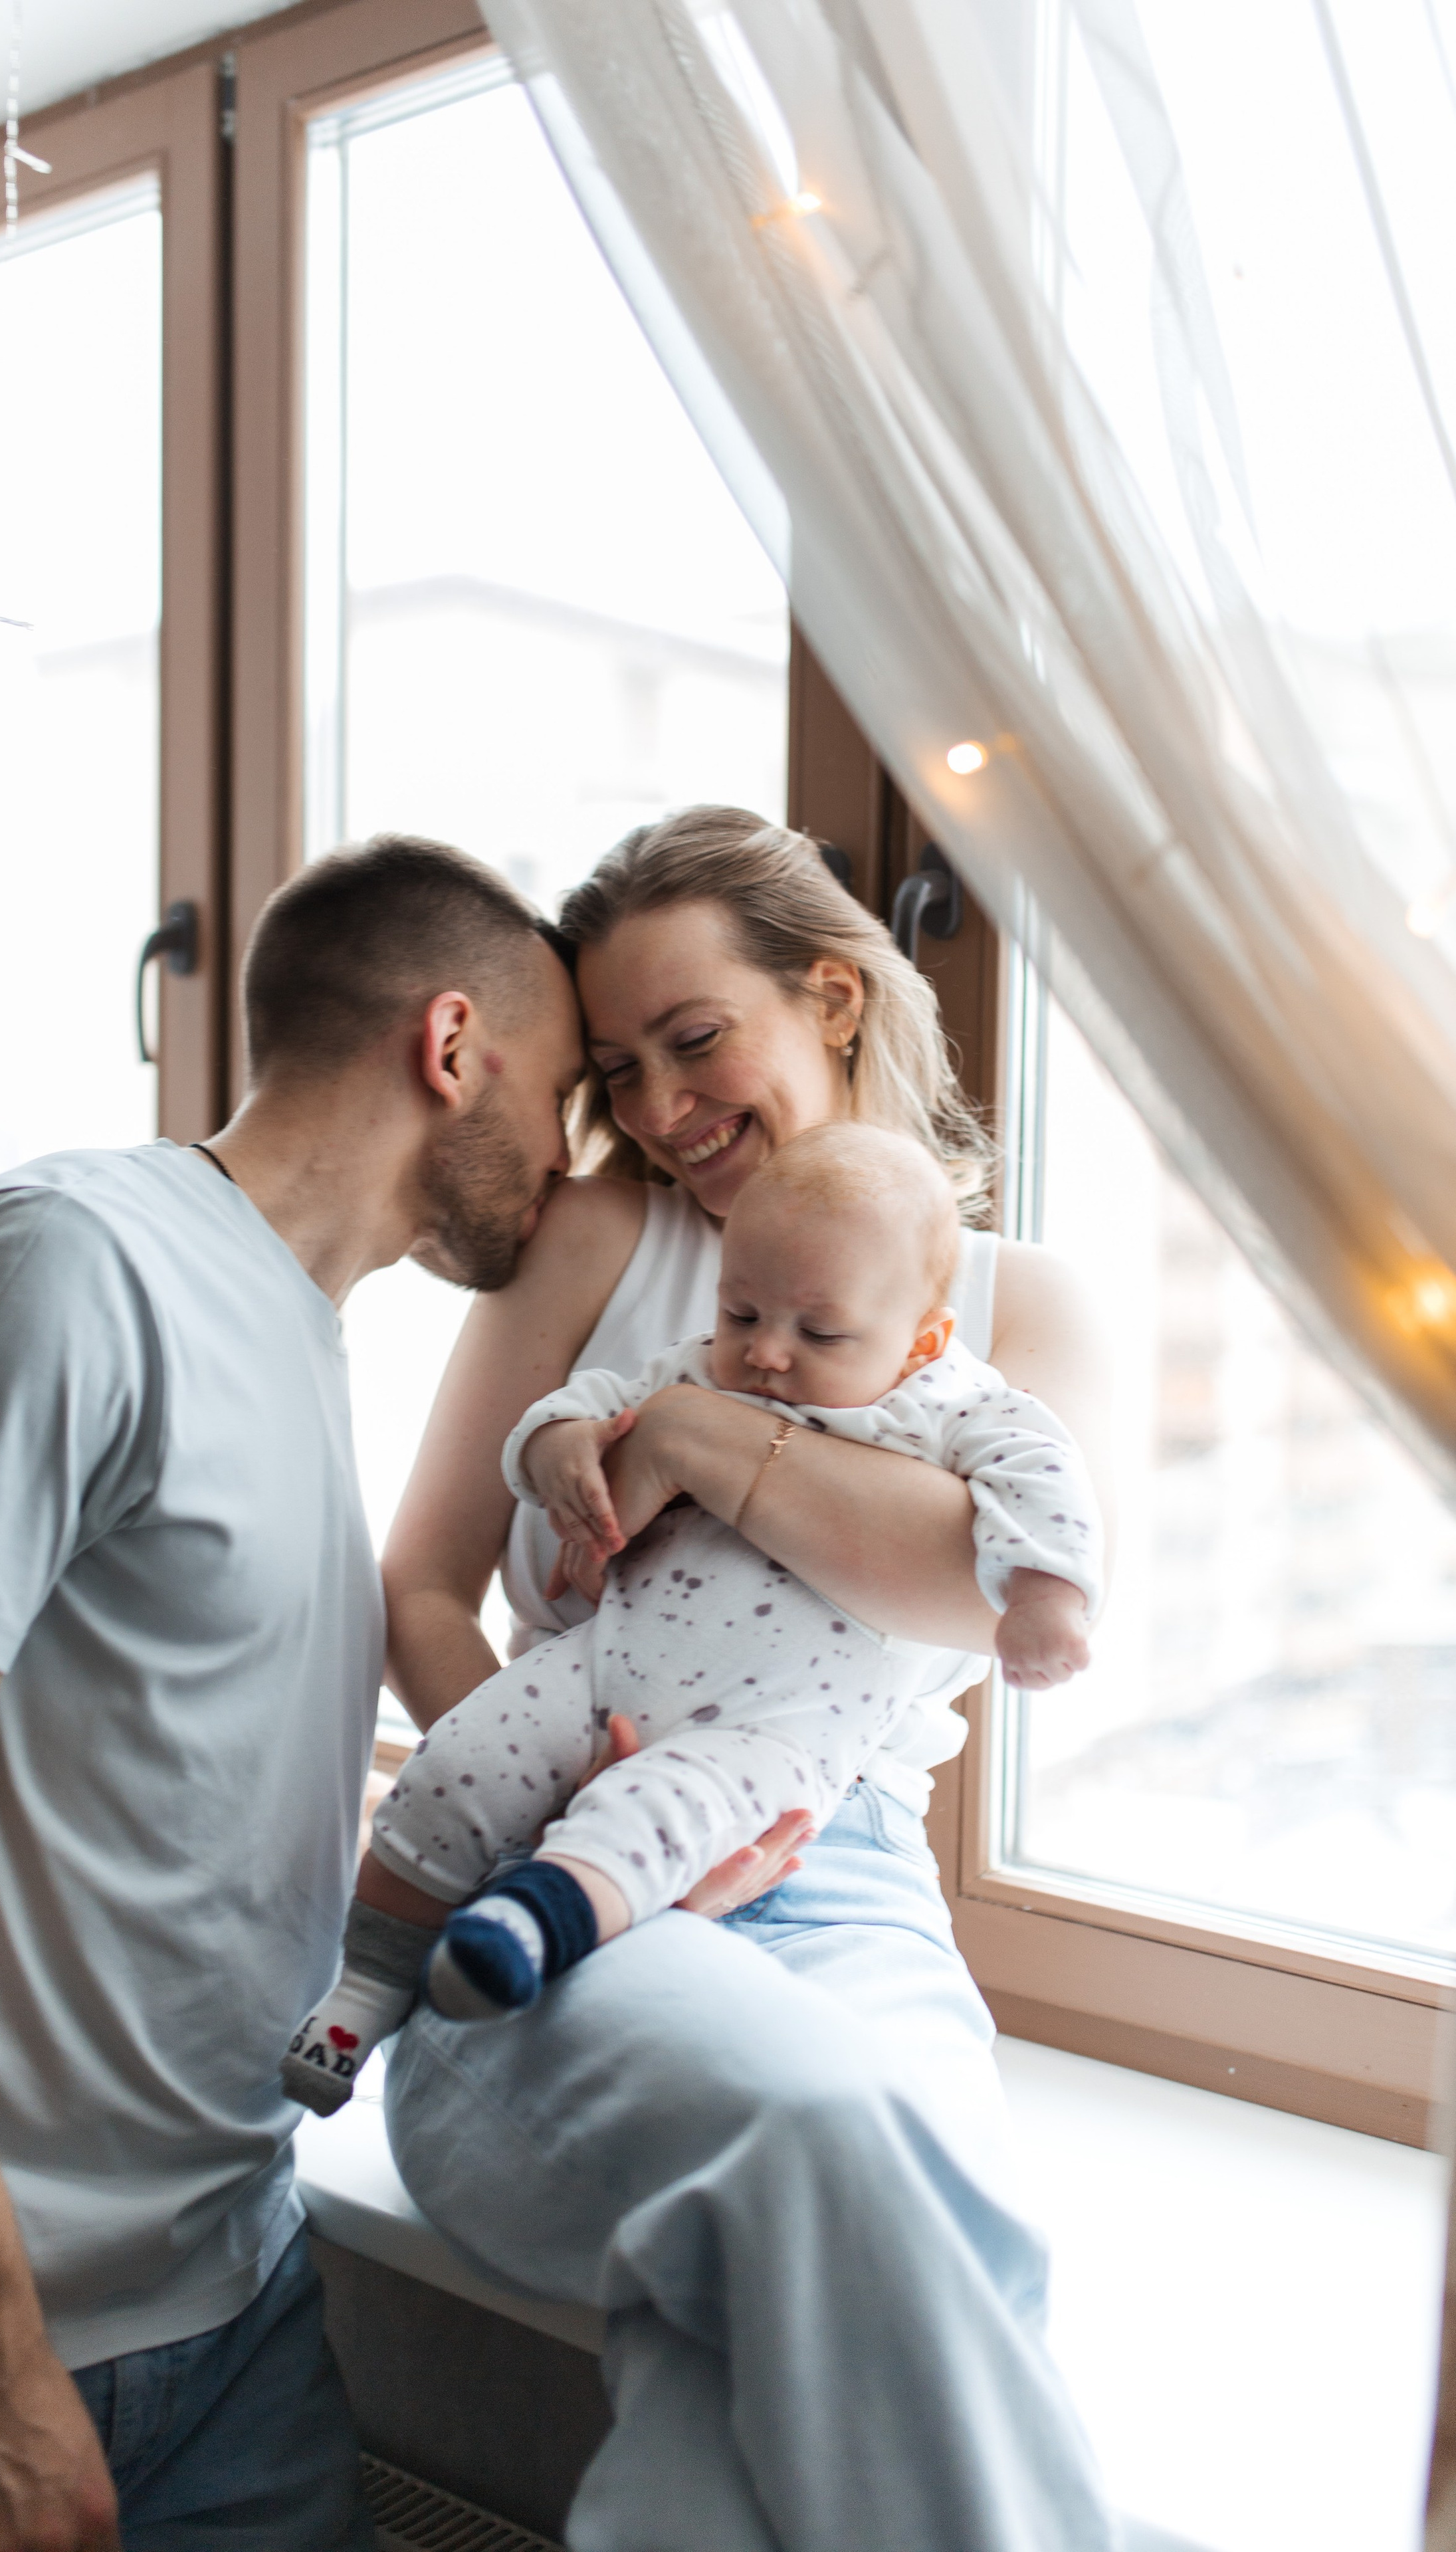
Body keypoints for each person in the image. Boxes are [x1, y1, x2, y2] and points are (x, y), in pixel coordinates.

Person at [0, 837, 584, 2552]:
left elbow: (159, 1795)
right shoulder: (68, 1264)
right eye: (566, 1094)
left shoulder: (296, 1336)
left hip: (233, 2307)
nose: (574, 1165)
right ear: (452, 1047)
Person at [377, 807, 1122, 2550]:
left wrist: (701, 1426)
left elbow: (963, 1580)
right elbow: (417, 1580)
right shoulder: (596, 1243)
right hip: (552, 1891)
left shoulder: (1028, 1312)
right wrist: (543, 1805)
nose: (658, 1110)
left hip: (843, 1874)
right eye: (620, 1070)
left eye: (696, 1040)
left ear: (838, 1000)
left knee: (814, 2337)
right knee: (851, 2157)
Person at [284, 1120, 1100, 2102]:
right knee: (458, 1762)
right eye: (741, 1313)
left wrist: (1048, 1593)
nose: (767, 1356)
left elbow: (1042, 1477)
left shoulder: (948, 1401)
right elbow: (575, 1408)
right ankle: (366, 1979)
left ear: (924, 1338)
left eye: (820, 1334)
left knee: (657, 1816)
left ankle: (530, 1926)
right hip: (603, 1665)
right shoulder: (697, 1360)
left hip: (772, 1731)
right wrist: (559, 1452)